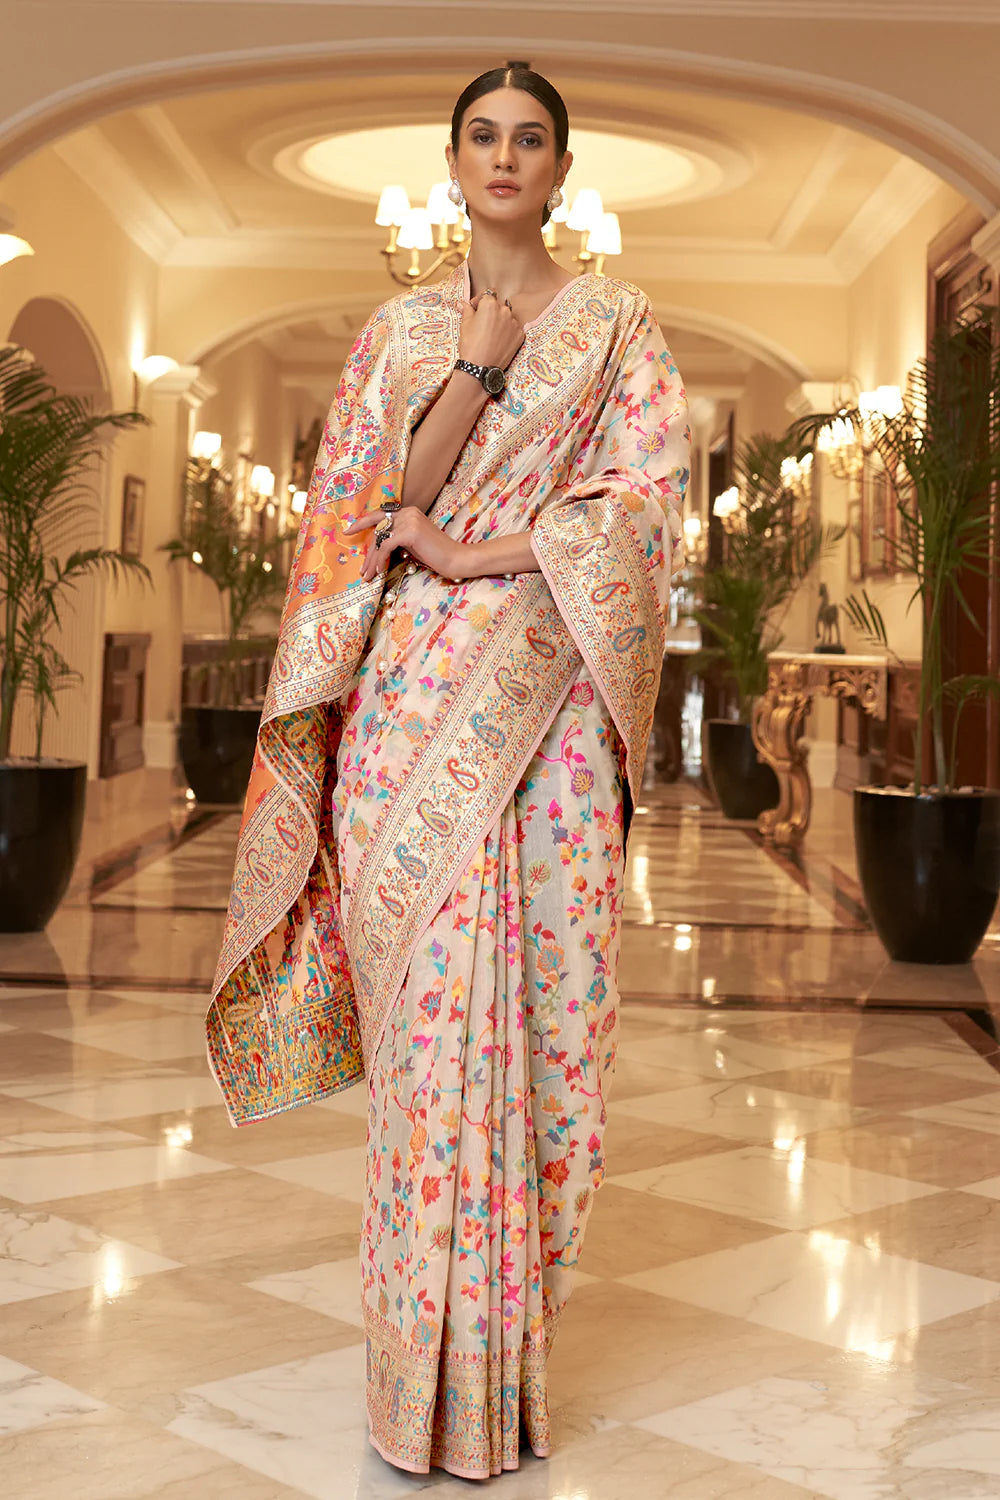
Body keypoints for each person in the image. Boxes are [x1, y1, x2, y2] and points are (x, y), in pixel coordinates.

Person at [207, 61, 689, 1481]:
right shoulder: (402, 331)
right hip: (409, 705)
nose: (505, 158)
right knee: (428, 1050)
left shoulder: (620, 326)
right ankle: (413, 1386)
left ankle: (503, 1381)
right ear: (454, 159)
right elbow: (368, 510)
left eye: (531, 139)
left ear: (563, 169)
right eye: (483, 136)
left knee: (548, 1022)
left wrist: (485, 553)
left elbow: (642, 515)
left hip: (552, 708)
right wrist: (476, 365)